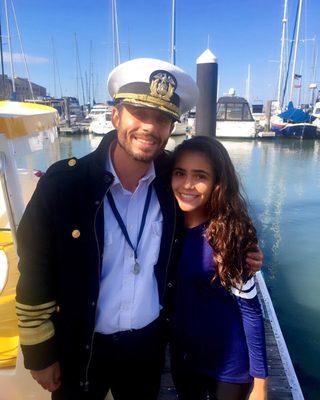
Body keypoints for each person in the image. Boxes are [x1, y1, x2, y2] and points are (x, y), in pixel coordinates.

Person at [15, 58, 264, 400]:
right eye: (139, 113)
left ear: (171, 126)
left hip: (147, 346)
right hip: (82, 344)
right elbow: (34, 269)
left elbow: (217, 207)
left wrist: (244, 251)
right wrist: (40, 353)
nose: (150, 127)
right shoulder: (64, 184)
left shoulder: (172, 180)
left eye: (162, 118)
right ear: (115, 115)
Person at [170, 136, 268, 400]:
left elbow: (250, 310)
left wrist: (260, 384)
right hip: (183, 358)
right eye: (180, 173)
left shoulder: (229, 235)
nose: (187, 185)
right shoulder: (167, 226)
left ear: (217, 183)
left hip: (228, 366)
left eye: (200, 176)